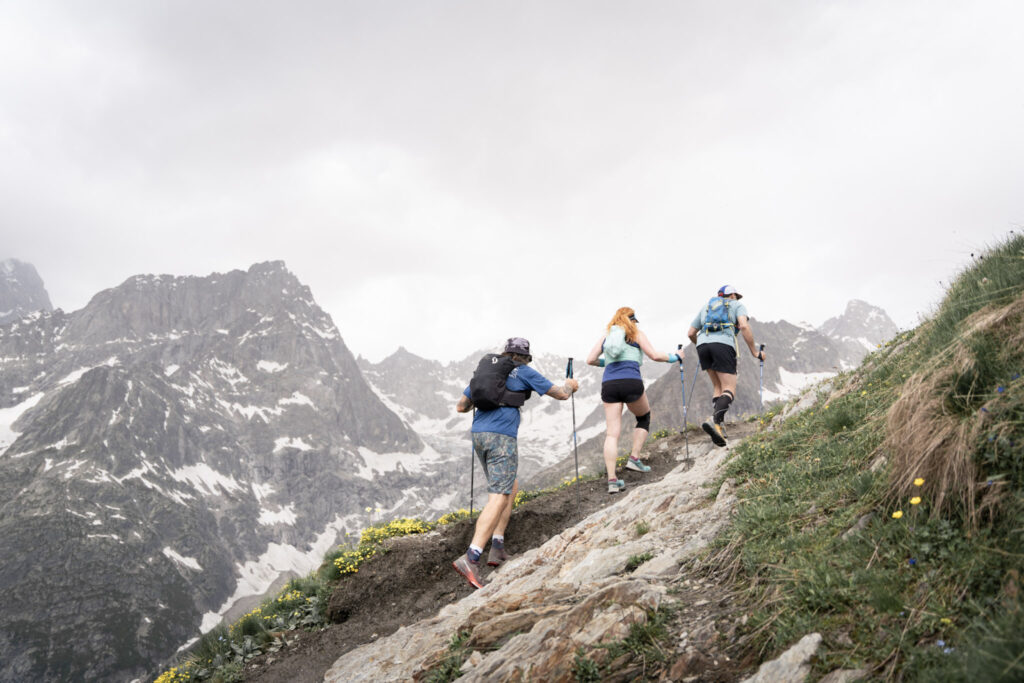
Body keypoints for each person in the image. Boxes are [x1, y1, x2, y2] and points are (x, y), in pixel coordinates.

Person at [452, 337, 579, 589]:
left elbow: (461, 406)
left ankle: (497, 546)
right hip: (502, 438)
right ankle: (472, 557)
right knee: (499, 494)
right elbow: (562, 395)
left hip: (479, 436)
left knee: (511, 484)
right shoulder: (523, 371)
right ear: (525, 357)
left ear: (505, 352)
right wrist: (571, 384)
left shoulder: (486, 371)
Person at [586, 307, 680, 494]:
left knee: (612, 434)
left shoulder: (607, 337)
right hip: (631, 381)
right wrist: (675, 357)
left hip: (610, 384)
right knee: (643, 417)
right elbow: (654, 355)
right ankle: (634, 458)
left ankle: (612, 480)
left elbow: (590, 359)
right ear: (633, 320)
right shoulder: (636, 334)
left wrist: (608, 362)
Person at [686, 285, 764, 447]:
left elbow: (690, 333)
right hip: (723, 344)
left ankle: (719, 428)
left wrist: (702, 344)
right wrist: (755, 352)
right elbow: (743, 326)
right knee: (729, 388)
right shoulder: (737, 305)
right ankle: (714, 421)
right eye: (737, 296)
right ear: (733, 295)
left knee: (718, 387)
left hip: (702, 345)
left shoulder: (707, 307)